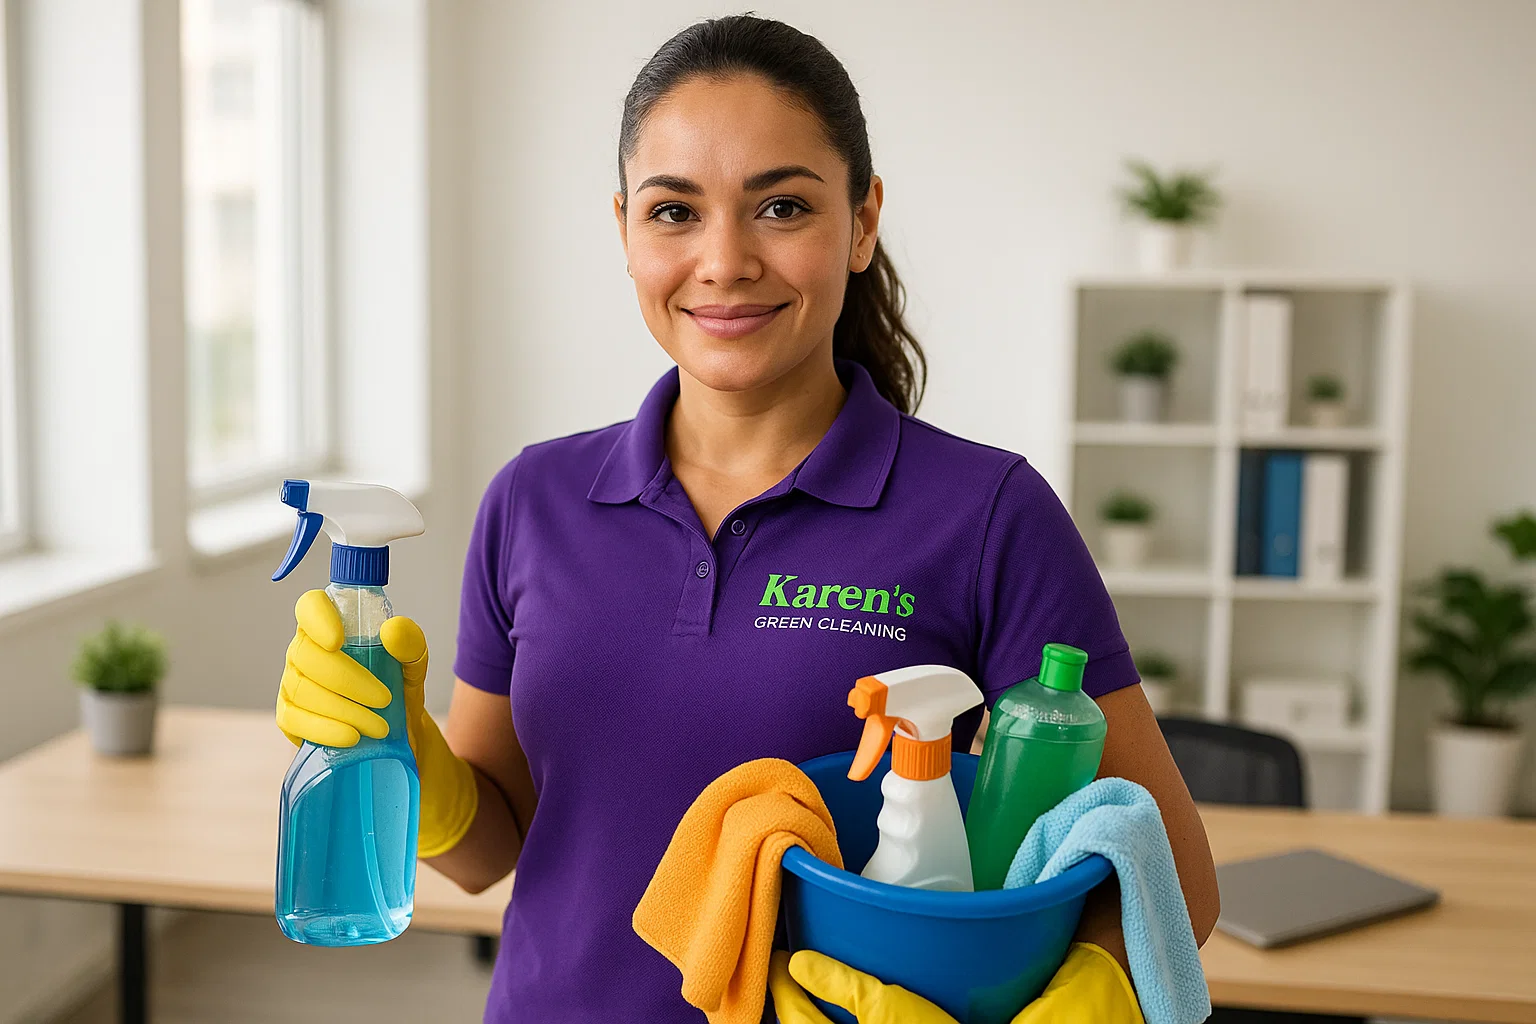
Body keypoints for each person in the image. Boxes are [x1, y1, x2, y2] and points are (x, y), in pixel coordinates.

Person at [275, 14, 1219, 1023]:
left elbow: (1176, 886)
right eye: (674, 211)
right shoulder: (534, 500)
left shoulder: (989, 515)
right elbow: (491, 851)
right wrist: (408, 758)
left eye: (780, 206)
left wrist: (1089, 992)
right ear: (626, 230)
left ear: (862, 222)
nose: (723, 261)